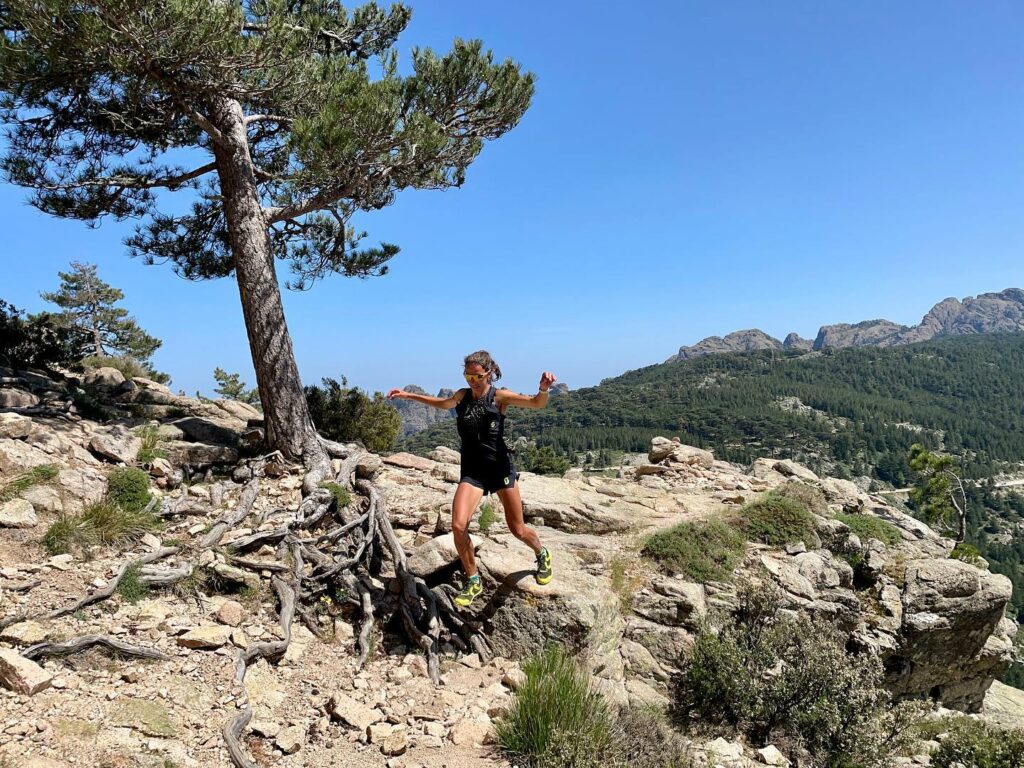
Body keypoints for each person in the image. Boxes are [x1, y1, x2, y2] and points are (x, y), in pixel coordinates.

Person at [388, 350, 556, 607]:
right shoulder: (462, 396)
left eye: (477, 375)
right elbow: (440, 403)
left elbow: (536, 403)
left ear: (488, 373)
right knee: (458, 525)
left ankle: (541, 553)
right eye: (468, 375)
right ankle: (473, 578)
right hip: (473, 471)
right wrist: (408, 395)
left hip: (499, 469)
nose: (472, 380)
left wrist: (543, 389)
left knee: (517, 529)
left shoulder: (499, 397)